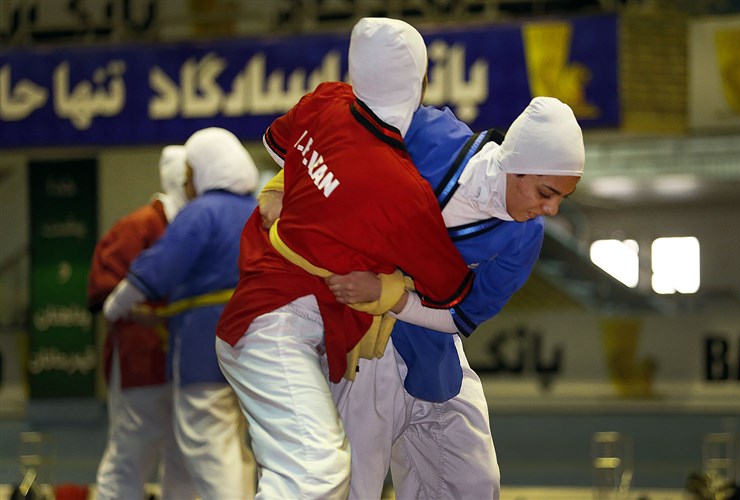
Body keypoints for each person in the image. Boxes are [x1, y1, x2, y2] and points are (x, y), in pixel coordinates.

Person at [260, 97, 584, 498]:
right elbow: (335, 139)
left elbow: (460, 318)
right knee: (350, 484)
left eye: (561, 199)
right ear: (514, 165)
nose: (551, 210)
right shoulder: (430, 133)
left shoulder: (524, 236)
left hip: (433, 346)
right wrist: (282, 185)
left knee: (473, 482)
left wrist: (389, 296)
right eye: (545, 192)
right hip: (360, 340)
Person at [214, 17, 475, 499]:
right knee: (316, 471)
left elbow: (280, 145)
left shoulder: (326, 98)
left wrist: (299, 187)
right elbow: (453, 290)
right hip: (276, 328)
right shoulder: (402, 190)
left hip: (263, 312)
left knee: (304, 472)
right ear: (421, 81)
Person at [103, 127, 258, 499]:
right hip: (256, 345)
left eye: (190, 174)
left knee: (207, 444)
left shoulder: (201, 213)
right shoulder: (259, 212)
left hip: (203, 345)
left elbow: (155, 270)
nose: (186, 183)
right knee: (234, 447)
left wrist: (115, 306)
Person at [88, 145, 195, 500]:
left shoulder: (197, 222)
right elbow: (104, 294)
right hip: (141, 360)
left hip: (185, 364)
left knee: (183, 457)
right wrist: (143, 311)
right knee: (130, 455)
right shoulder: (139, 226)